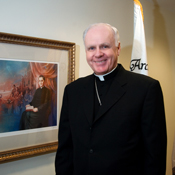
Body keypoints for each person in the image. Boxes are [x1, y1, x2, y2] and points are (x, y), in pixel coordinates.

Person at [55, 23, 167, 175]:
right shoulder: (73, 90)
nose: (98, 54)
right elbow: (65, 149)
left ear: (118, 48)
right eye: (91, 48)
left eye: (105, 46)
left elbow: (155, 154)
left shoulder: (146, 88)